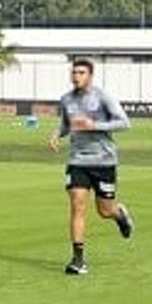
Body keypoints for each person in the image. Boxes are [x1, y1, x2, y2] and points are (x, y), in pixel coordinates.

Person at [48, 57, 135, 275]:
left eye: (81, 73)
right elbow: (67, 124)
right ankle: (78, 260)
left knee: (104, 211)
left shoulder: (102, 97)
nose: (76, 76)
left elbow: (124, 123)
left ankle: (119, 215)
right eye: (74, 72)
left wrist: (94, 125)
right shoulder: (66, 99)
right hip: (78, 161)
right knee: (77, 204)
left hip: (104, 161)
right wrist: (57, 134)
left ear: (90, 76)